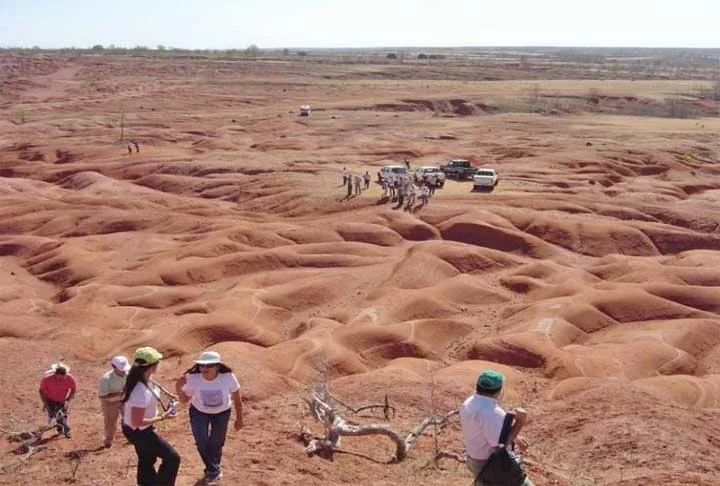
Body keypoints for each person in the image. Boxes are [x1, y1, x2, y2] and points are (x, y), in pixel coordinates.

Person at [175, 351, 243, 483]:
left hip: (222, 413)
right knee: (201, 441)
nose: (204, 368)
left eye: (209, 365)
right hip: (199, 412)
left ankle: (212, 470)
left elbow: (237, 398)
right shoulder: (193, 379)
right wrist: (178, 387)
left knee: (217, 443)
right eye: (201, 365)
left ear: (217, 366)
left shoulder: (228, 377)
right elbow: (184, 400)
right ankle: (214, 470)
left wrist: (239, 418)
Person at [459, 370, 533, 486]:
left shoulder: (468, 403)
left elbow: (485, 429)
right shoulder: (492, 412)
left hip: (474, 460)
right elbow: (501, 445)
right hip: (493, 465)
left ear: (478, 386)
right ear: (499, 391)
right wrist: (520, 421)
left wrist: (516, 437)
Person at [122, 347, 180, 486]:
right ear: (152, 366)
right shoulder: (139, 392)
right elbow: (138, 422)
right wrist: (163, 417)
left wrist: (169, 394)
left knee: (146, 459)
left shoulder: (143, 378)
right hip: (139, 431)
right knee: (172, 458)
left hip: (135, 429)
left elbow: (155, 385)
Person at [98, 355, 130, 448]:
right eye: (121, 369)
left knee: (129, 419)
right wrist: (118, 394)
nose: (123, 371)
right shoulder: (106, 379)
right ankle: (108, 441)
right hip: (110, 403)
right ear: (114, 367)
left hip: (124, 400)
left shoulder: (128, 374)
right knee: (110, 423)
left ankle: (132, 438)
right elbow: (101, 396)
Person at [39, 362, 76, 438]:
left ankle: (66, 430)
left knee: (61, 415)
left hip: (62, 400)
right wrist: (44, 403)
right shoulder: (47, 379)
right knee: (52, 415)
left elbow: (73, 389)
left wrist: (68, 399)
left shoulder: (69, 378)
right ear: (56, 374)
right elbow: (41, 390)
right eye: (60, 377)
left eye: (64, 377)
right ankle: (57, 425)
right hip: (49, 399)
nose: (62, 379)